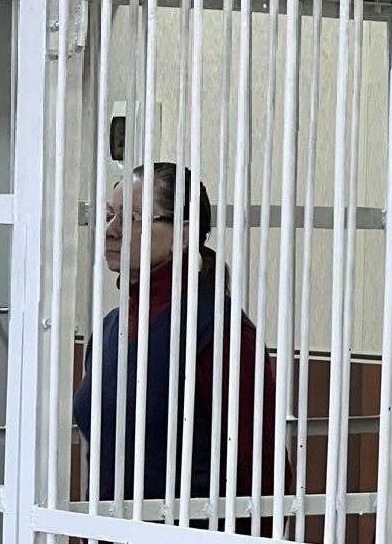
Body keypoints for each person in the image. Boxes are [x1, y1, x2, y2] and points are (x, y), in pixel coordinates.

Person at [73, 162, 290, 536]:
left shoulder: (218, 332)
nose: (111, 230)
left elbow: (264, 475)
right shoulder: (109, 329)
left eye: (133, 218)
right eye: (109, 215)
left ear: (183, 235)